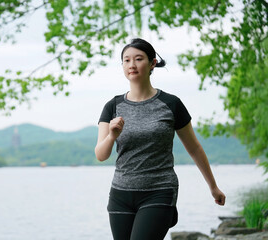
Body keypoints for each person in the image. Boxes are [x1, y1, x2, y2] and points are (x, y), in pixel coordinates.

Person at [95, 38, 226, 240]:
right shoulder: (112, 106)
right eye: (126, 60)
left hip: (159, 191)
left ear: (152, 63)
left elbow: (194, 149)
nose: (132, 65)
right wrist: (112, 135)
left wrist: (213, 187)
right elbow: (101, 155)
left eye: (138, 59)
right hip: (121, 194)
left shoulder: (171, 104)